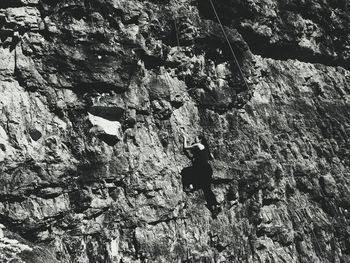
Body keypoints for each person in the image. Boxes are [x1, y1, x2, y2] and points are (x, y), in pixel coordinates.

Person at [182, 134, 221, 216]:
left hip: (201, 169)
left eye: (196, 137)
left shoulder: (199, 145)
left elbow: (185, 148)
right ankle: (215, 207)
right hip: (207, 169)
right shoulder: (206, 149)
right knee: (207, 189)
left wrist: (184, 138)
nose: (194, 138)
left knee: (185, 171)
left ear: (200, 140)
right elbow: (212, 157)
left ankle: (190, 186)